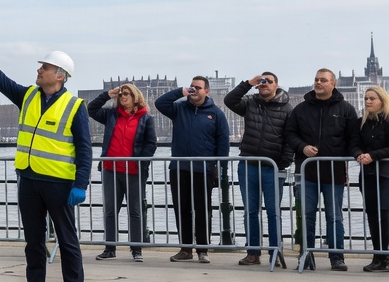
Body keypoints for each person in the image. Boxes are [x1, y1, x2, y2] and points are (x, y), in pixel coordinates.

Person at [0, 35, 90, 282]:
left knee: (67, 241)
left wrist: (80, 184)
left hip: (59, 184)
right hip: (30, 181)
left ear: (59, 76)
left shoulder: (74, 106)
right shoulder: (29, 96)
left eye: (43, 67)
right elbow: (1, 80)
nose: (38, 71)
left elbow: (84, 150)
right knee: (33, 242)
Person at [286, 69, 360, 270]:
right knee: (306, 214)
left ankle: (337, 257)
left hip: (334, 172)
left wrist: (355, 155)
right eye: (316, 79)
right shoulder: (300, 109)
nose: (319, 83)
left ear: (333, 83)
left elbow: (353, 138)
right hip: (306, 171)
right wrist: (302, 147)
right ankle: (306, 255)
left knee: (334, 215)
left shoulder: (346, 109)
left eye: (323, 80)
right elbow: (290, 134)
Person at [155, 78, 230, 264]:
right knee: (182, 209)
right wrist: (180, 91)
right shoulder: (179, 108)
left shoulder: (216, 114)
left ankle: (203, 249)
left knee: (203, 210)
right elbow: (160, 103)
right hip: (179, 168)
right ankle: (185, 248)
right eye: (192, 87)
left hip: (203, 170)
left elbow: (223, 145)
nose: (194, 90)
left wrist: (221, 171)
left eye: (198, 87)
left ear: (207, 91)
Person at [223, 72, 294, 267]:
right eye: (261, 82)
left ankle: (275, 252)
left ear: (276, 85)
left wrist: (283, 163)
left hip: (272, 168)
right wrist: (248, 83)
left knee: (273, 211)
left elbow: (290, 138)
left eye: (268, 82)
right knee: (250, 212)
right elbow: (230, 100)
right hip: (248, 165)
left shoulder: (287, 108)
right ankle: (252, 252)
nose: (264, 85)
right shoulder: (250, 103)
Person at [86, 84, 156, 261]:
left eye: (126, 94)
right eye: (121, 94)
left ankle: (137, 249)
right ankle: (110, 248)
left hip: (133, 171)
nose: (122, 97)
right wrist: (108, 94)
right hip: (111, 170)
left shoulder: (146, 119)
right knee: (110, 210)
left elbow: (150, 144)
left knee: (135, 211)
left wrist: (141, 162)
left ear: (135, 97)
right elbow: (91, 109)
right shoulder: (111, 115)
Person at [356, 86, 389, 272]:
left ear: (382, 101)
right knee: (372, 215)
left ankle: (386, 256)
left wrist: (373, 155)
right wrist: (359, 154)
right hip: (367, 175)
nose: (368, 102)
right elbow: (353, 143)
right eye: (366, 98)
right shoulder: (361, 122)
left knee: (385, 215)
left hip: (385, 175)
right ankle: (378, 256)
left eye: (372, 99)